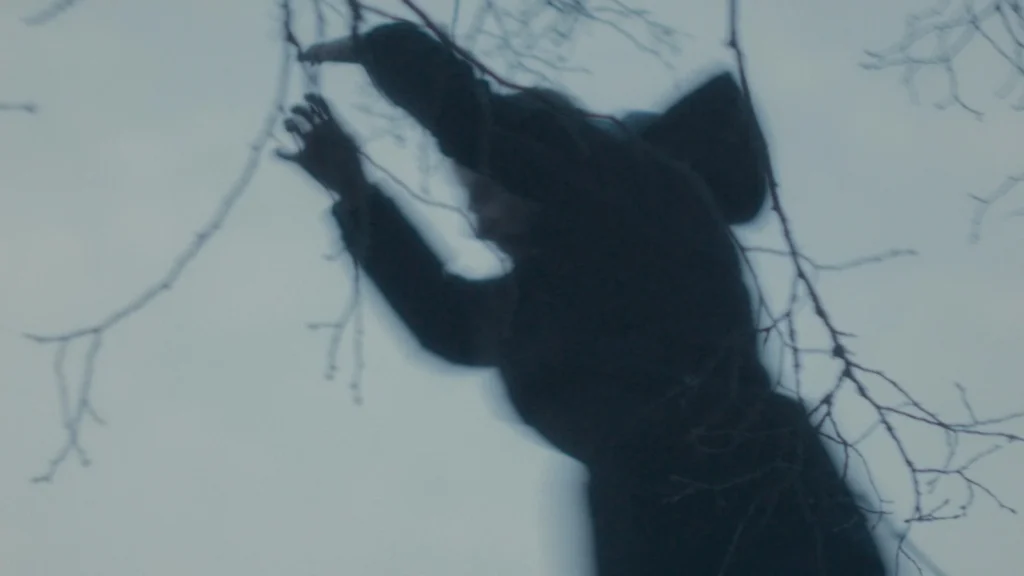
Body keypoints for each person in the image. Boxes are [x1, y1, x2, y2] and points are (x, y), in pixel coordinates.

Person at [279, 22, 886, 576]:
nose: (479, 226)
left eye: (484, 195)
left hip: (757, 499)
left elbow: (481, 128)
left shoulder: (644, 203)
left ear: (537, 168)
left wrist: (383, 47)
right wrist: (358, 198)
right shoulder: (538, 299)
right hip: (647, 515)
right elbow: (447, 321)